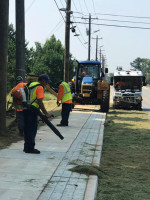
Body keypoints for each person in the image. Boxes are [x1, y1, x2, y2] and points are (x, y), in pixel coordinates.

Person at [23, 74, 52, 154]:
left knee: (27, 129)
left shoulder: (30, 85)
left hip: (25, 109)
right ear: (43, 81)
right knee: (32, 130)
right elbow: (40, 102)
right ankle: (30, 148)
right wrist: (46, 113)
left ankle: (26, 147)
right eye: (46, 82)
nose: (46, 84)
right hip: (33, 110)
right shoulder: (39, 87)